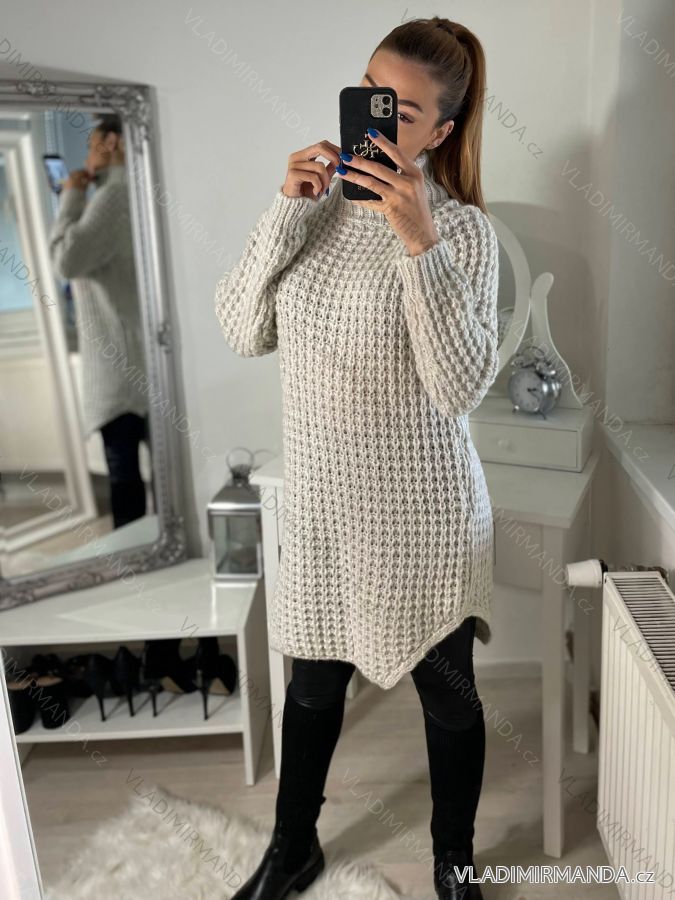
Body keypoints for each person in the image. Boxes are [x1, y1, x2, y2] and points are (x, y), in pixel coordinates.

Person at [215, 16, 498, 900]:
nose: (375, 118)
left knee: (447, 698)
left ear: (439, 133)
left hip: (424, 520)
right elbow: (241, 329)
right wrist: (284, 207)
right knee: (310, 692)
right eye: (369, 94)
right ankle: (292, 848)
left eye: (401, 111)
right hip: (320, 514)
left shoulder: (463, 234)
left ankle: (454, 861)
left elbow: (458, 388)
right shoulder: (311, 212)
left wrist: (419, 243)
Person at [49, 113, 151, 529]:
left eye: (92, 145)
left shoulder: (111, 197)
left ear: (111, 143)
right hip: (142, 362)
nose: (88, 156)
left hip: (119, 374)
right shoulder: (136, 192)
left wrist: (70, 196)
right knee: (153, 478)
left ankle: (136, 560)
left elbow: (66, 261)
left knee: (126, 486)